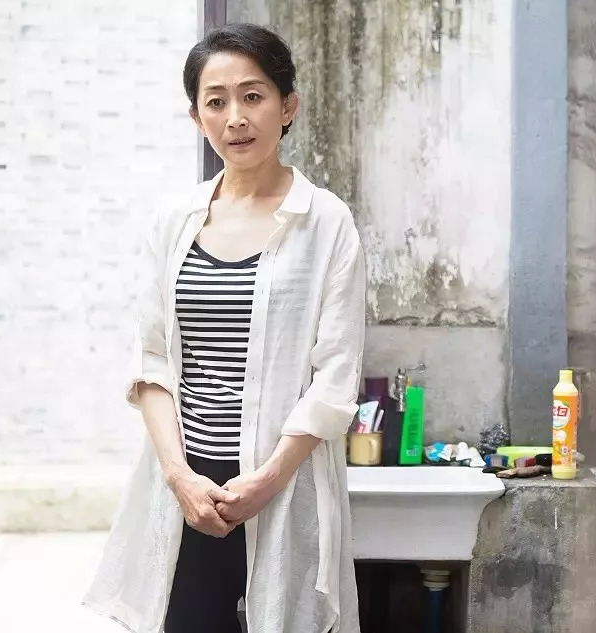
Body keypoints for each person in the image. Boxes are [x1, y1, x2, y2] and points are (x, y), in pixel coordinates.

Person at [84, 23, 364, 633]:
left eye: (253, 96)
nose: (235, 117)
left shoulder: (325, 222)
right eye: (216, 101)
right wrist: (179, 476)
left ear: (287, 106)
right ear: (197, 117)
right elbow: (151, 363)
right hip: (186, 491)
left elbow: (335, 376)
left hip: (280, 485)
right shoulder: (173, 221)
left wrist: (265, 481)